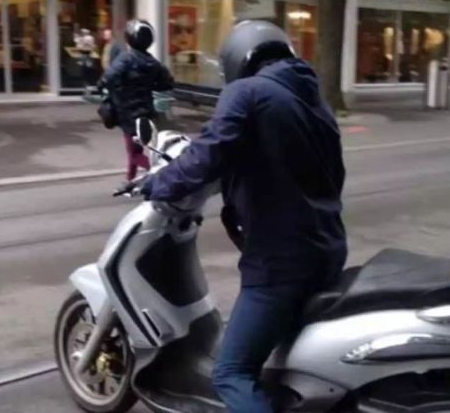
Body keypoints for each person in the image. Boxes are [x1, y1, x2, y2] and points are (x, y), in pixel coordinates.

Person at [140, 20, 347, 413]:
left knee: (230, 373)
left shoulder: (246, 92)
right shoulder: (313, 100)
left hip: (280, 264)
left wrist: (159, 183)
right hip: (328, 249)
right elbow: (333, 175)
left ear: (238, 59)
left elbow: (209, 152)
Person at [99, 19, 174, 194]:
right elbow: (167, 82)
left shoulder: (126, 58)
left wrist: (101, 85)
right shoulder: (152, 62)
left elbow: (108, 78)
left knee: (133, 151)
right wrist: (150, 85)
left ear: (130, 38)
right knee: (136, 147)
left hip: (127, 113)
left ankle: (161, 174)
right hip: (146, 111)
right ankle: (130, 180)